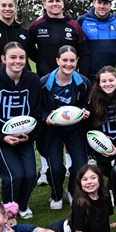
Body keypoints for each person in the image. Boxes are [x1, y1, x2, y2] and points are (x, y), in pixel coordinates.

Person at [0, 42, 46, 219]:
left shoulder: (32, 80)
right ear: (3, 59)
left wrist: (30, 134)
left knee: (31, 174)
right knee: (13, 176)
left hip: (25, 136)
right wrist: (1, 137)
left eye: (21, 57)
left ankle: (22, 205)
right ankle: (8, 210)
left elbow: (37, 111)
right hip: (2, 139)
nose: (18, 61)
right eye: (13, 57)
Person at [39, 45, 91, 209]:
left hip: (74, 128)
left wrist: (85, 111)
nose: (68, 64)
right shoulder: (43, 83)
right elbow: (37, 108)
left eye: (72, 61)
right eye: (65, 60)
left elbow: (85, 103)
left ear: (77, 61)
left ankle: (72, 190)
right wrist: (45, 116)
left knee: (81, 163)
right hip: (52, 129)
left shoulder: (83, 82)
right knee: (56, 168)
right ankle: (56, 194)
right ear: (57, 61)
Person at [27, 0, 89, 77]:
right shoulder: (36, 26)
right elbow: (29, 47)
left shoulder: (75, 26)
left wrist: (82, 76)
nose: (55, 4)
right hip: (44, 77)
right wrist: (41, 60)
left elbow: (84, 53)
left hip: (69, 78)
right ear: (45, 5)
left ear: (62, 4)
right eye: (51, 1)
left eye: (58, 1)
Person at [48, 164, 116, 232]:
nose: (89, 182)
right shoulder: (79, 202)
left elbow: (105, 217)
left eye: (93, 178)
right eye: (85, 179)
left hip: (86, 231)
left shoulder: (106, 194)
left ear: (100, 180)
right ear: (80, 183)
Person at [78, 0, 116, 78]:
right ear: (94, 3)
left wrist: (113, 50)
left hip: (110, 74)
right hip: (88, 75)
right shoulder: (82, 20)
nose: (102, 6)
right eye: (99, 2)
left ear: (110, 5)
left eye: (105, 3)